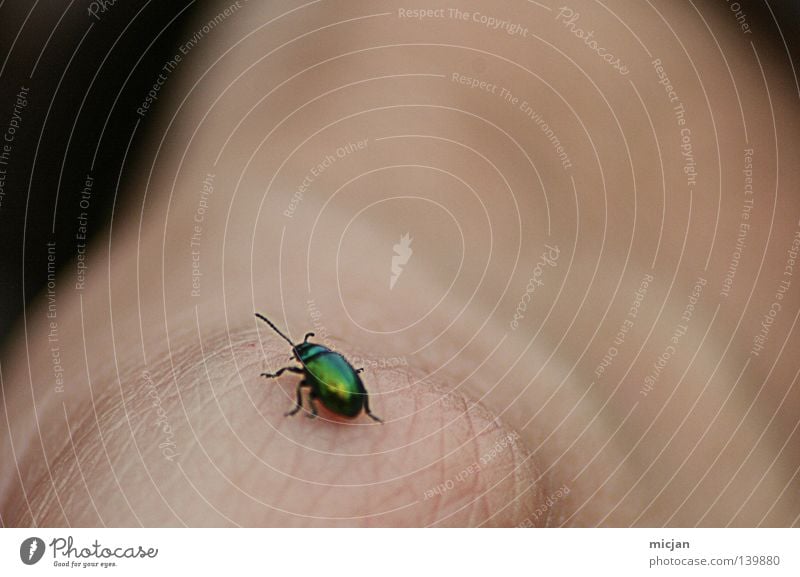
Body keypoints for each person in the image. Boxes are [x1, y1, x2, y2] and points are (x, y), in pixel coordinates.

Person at [1, 0, 798, 527]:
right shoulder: (321, 371)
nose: (296, 362)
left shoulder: (316, 372)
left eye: (299, 358)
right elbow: (330, 392)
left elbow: (326, 392)